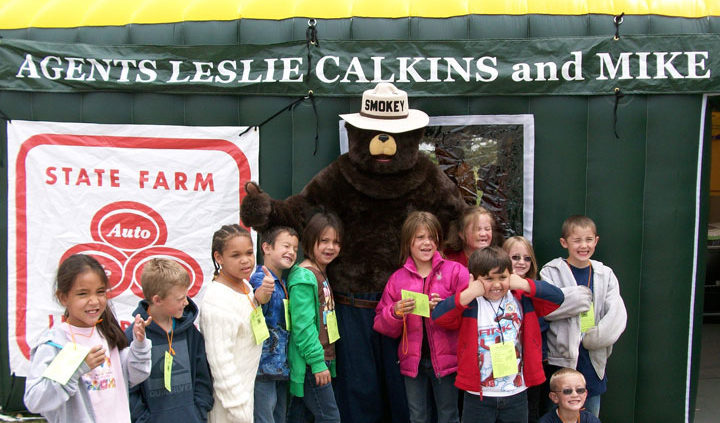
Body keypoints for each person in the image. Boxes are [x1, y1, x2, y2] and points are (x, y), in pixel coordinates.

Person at [432, 246, 564, 423]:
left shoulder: (520, 298)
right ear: (475, 279)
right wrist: (469, 292)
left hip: (516, 392)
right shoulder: (470, 304)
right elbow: (439, 316)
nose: (496, 284)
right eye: (488, 279)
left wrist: (524, 284)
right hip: (478, 395)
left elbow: (557, 298)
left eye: (503, 277)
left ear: (511, 275)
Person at [24, 254, 152, 422]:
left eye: (100, 292)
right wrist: (76, 368)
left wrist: (140, 345)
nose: (94, 301)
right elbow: (34, 400)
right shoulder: (57, 344)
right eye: (83, 294)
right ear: (63, 297)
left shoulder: (108, 335)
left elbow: (134, 377)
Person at [374, 211, 470, 423]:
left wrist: (445, 306)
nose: (427, 243)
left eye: (432, 237)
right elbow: (381, 323)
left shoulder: (456, 271)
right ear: (408, 242)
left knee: (449, 415)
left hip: (448, 361)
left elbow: (469, 315)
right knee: (417, 417)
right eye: (420, 237)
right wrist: (396, 312)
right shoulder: (397, 278)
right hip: (412, 362)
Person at [539, 215, 627, 418]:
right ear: (564, 242)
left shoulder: (605, 274)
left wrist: (592, 339)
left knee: (590, 415)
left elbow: (616, 316)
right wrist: (580, 298)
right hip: (560, 362)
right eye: (577, 240)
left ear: (596, 241)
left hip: (592, 359)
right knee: (557, 415)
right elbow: (548, 309)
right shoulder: (551, 272)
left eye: (588, 240)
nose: (583, 246)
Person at [125, 258, 213, 422]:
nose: (186, 302)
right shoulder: (133, 337)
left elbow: (203, 379)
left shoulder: (190, 333)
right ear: (157, 300)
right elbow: (129, 391)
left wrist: (198, 413)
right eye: (180, 299)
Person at [200, 224, 262, 422]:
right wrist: (238, 410)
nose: (245, 260)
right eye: (235, 255)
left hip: (247, 394)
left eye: (249, 253)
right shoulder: (217, 300)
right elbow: (221, 364)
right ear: (219, 258)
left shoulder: (245, 286)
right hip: (229, 409)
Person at [286, 212, 343, 423]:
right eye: (324, 241)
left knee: (300, 417)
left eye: (336, 242)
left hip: (322, 359)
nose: (331, 247)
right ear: (311, 241)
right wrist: (318, 363)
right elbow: (303, 327)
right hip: (312, 362)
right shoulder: (304, 276)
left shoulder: (320, 272)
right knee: (330, 418)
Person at [249, 226, 299, 423]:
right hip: (263, 368)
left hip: (281, 368)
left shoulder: (284, 282)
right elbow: (258, 299)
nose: (291, 252)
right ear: (266, 248)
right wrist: (262, 294)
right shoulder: (261, 278)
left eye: (295, 248)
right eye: (286, 246)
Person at [503, 236, 547, 423]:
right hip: (502, 363)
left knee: (531, 412)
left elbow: (556, 299)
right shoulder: (495, 291)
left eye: (527, 258)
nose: (522, 262)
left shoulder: (536, 290)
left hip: (531, 364)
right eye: (515, 257)